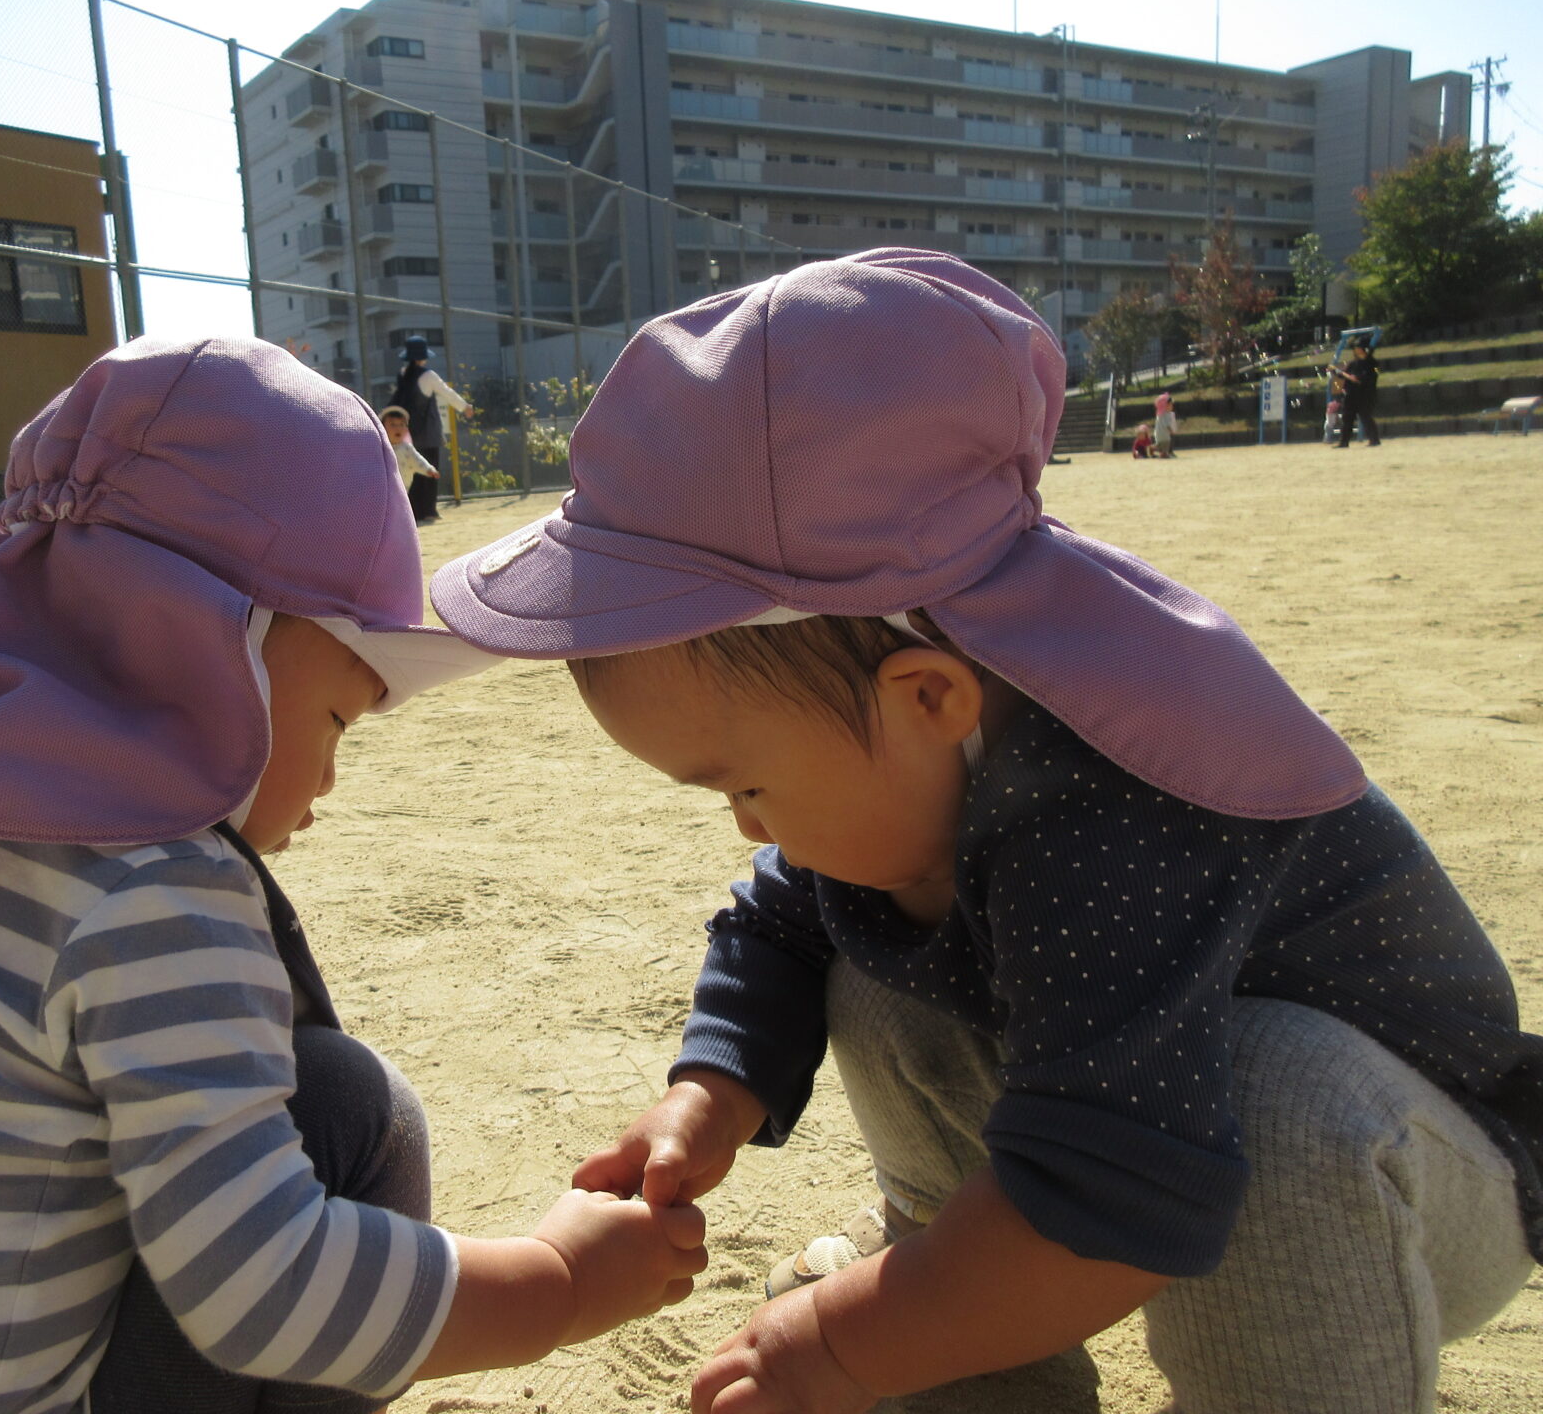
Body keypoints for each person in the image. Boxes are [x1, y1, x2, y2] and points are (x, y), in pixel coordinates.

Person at [431, 250, 1541, 1414]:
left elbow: (1115, 1197)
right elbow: (780, 922)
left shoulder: (1114, 810)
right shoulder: (935, 751)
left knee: (1276, 1093)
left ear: (927, 696)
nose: (747, 825)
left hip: (1409, 1179)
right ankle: (983, 1337)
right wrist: (708, 1095)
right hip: (1147, 1121)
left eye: (745, 785)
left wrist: (841, 1347)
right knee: (870, 962)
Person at [0, 337, 706, 1414]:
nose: (327, 778)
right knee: (352, 1110)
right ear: (216, 651)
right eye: (337, 718)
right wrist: (560, 1285)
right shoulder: (160, 890)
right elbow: (262, 1289)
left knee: (298, 1096)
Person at [389, 335, 470, 523]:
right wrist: (465, 407)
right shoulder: (428, 375)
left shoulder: (402, 374)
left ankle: (413, 512)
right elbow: (447, 393)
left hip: (407, 433)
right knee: (430, 469)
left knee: (410, 470)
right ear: (423, 357)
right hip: (427, 431)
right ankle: (429, 511)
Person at [380, 404, 440, 517]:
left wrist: (429, 469)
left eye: (402, 425)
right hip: (385, 487)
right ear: (382, 428)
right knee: (388, 508)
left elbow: (417, 459)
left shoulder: (407, 448)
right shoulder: (381, 448)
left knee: (401, 508)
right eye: (393, 425)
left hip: (404, 486)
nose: (398, 428)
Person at [1337, 338, 1383, 447]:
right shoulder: (1354, 363)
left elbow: (1370, 377)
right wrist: (1339, 372)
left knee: (1365, 416)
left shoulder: (1372, 363)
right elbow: (1344, 374)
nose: (1357, 351)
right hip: (1351, 394)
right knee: (1347, 418)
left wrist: (1357, 378)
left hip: (1366, 394)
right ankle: (1344, 442)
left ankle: (1374, 440)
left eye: (1359, 348)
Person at [1152, 389, 1177, 456]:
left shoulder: (1160, 414)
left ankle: (1154, 449)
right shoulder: (1165, 414)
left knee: (1160, 445)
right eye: (1170, 405)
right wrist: (1171, 431)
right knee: (1166, 444)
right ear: (1165, 405)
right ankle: (1163, 453)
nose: (1172, 406)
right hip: (1164, 435)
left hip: (1159, 434)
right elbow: (1167, 425)